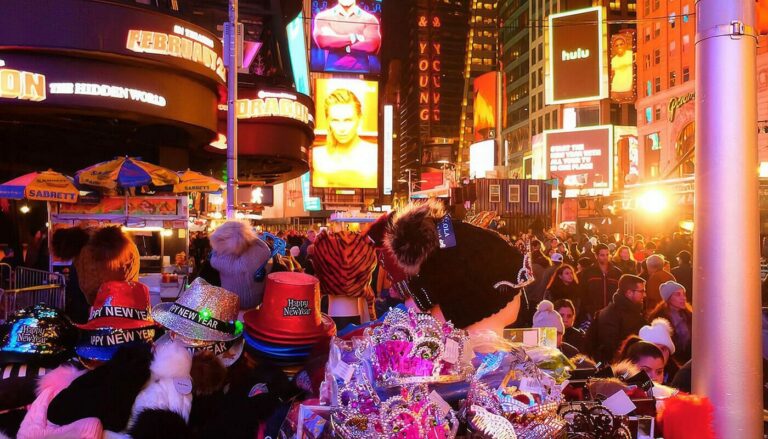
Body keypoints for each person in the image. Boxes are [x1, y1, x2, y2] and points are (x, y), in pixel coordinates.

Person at [312, 88, 378, 188]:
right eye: (335, 120)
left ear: (359, 118)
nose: (341, 128)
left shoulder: (375, 153)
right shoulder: (318, 155)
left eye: (347, 120)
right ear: (328, 121)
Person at [586, 274, 648, 364]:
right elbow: (610, 347)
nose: (645, 295)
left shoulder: (633, 312)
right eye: (641, 291)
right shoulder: (611, 314)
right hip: (618, 368)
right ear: (629, 292)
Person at [312, 0, 382, 72]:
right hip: (331, 73)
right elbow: (323, 41)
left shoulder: (370, 19)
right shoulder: (323, 17)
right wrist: (354, 37)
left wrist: (339, 45)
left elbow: (372, 46)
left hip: (361, 73)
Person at [649, 281, 692, 363]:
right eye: (678, 294)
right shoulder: (659, 319)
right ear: (668, 298)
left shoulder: (689, 315)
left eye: (684, 294)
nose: (683, 298)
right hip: (672, 363)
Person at [579, 243, 623, 320]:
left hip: (612, 313)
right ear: (596, 256)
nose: (605, 257)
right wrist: (588, 310)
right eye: (602, 255)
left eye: (607, 254)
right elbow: (583, 293)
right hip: (593, 313)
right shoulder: (588, 272)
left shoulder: (617, 272)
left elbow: (621, 292)